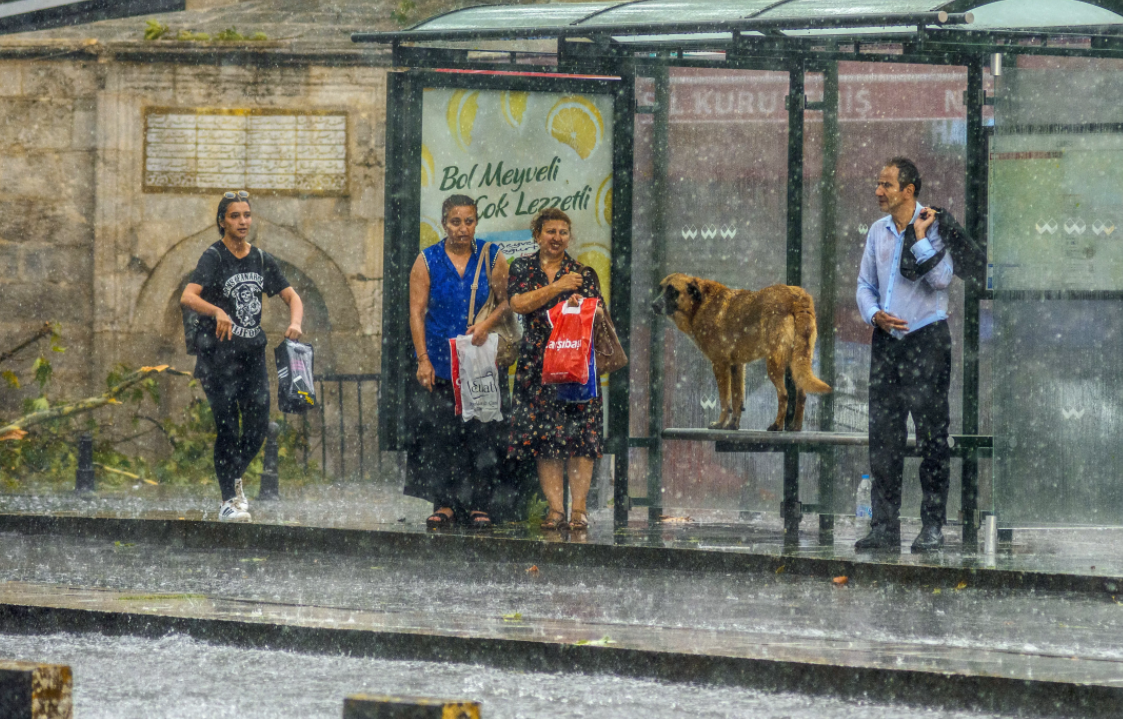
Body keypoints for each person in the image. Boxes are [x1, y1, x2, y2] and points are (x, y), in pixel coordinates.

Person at [181, 191, 303, 523]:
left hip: (251, 357)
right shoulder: (214, 257)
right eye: (235, 216)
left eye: (247, 215)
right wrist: (218, 310)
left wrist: (294, 323)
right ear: (222, 221)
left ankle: (233, 481)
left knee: (258, 428)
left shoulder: (261, 259)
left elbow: (293, 297)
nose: (243, 222)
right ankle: (230, 500)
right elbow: (188, 296)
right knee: (227, 428)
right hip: (217, 358)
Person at [855, 158, 954, 553]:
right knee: (883, 437)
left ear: (908, 191)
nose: (878, 191)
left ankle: (932, 526)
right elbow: (864, 284)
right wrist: (873, 313)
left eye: (886, 185)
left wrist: (919, 235)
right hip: (887, 343)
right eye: (878, 184)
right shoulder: (877, 231)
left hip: (927, 341)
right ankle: (884, 526)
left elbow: (943, 278)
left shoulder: (934, 224)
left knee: (932, 437)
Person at [406, 194, 511, 529]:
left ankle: (481, 503)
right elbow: (417, 311)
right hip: (439, 360)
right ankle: (446, 502)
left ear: (476, 222)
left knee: (483, 433)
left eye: (468, 221)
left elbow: (508, 303)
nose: (462, 229)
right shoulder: (427, 260)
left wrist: (485, 325)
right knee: (442, 435)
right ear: (443, 223)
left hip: (480, 360)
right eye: (455, 221)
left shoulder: (492, 256)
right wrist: (422, 359)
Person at [508, 208, 603, 531]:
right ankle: (555, 510)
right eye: (550, 231)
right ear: (537, 235)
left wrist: (581, 305)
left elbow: (598, 316)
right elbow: (519, 304)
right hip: (537, 363)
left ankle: (579, 510)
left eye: (563, 232)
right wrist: (558, 288)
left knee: (580, 439)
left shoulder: (583, 273)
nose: (557, 238)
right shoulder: (523, 267)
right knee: (545, 440)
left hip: (574, 363)